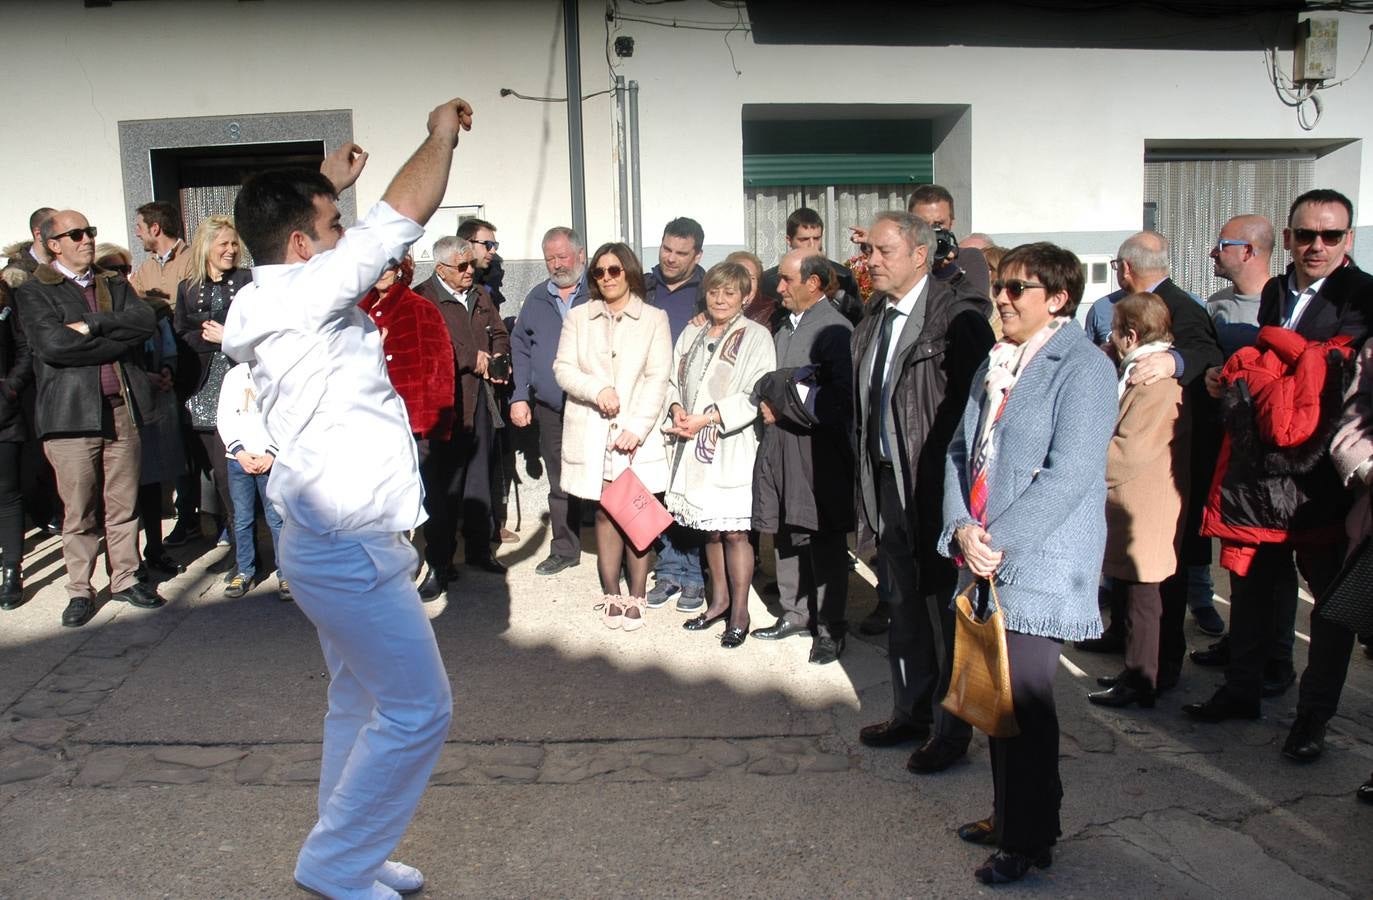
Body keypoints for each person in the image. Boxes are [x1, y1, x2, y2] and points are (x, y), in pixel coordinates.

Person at [222, 98, 472, 899]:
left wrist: (321, 186)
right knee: (417, 709)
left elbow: (316, 235)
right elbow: (404, 213)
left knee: (358, 703)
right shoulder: (306, 292)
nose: (343, 235)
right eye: (331, 226)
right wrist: (437, 136)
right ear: (301, 244)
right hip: (347, 541)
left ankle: (350, 852)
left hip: (333, 538)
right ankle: (335, 865)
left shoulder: (269, 293)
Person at [941, 242, 1117, 884]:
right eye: (1002, 286)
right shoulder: (998, 357)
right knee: (994, 698)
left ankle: (1029, 837)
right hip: (983, 548)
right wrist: (960, 524)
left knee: (1028, 706)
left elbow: (1069, 475)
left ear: (1058, 299)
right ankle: (1008, 813)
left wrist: (995, 540)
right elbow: (960, 452)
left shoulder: (1084, 367)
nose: (1004, 298)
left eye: (1020, 288)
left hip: (1037, 558)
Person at [1186, 188, 1372, 729]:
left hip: (1323, 476)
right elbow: (1270, 369)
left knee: (1329, 604)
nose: (1317, 245)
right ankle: (1242, 690)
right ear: (1287, 238)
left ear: (1348, 239)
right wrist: (1234, 378)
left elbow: (1336, 381)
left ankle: (1312, 720)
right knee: (1251, 588)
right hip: (1261, 468)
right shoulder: (1273, 290)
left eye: (1330, 235)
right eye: (1306, 234)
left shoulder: (1362, 296)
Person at [853, 212, 995, 774]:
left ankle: (949, 729)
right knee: (902, 604)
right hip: (889, 482)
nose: (872, 260)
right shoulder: (875, 316)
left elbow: (975, 417)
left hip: (938, 490)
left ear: (919, 255)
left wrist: (960, 498)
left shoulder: (959, 321)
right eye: (869, 251)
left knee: (944, 610)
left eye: (884, 251)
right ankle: (910, 711)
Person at [1077, 232, 1223, 698]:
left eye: (1115, 335)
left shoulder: (1176, 317)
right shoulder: (1147, 330)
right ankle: (1133, 655)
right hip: (1139, 493)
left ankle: (1151, 672)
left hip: (1156, 488)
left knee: (1155, 590)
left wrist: (1174, 361)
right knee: (1136, 586)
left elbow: (1205, 356)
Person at [15, 209, 163, 627]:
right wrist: (116, 343)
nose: (87, 239)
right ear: (52, 244)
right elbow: (53, 347)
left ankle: (126, 577)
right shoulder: (34, 290)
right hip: (70, 418)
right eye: (75, 234)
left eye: (90, 231)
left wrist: (93, 324)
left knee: (123, 504)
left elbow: (144, 322)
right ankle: (80, 590)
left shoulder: (112, 283)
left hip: (121, 409)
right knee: (78, 511)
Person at [553, 242, 671, 631]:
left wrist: (637, 427)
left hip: (637, 433)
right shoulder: (578, 317)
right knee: (604, 511)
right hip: (591, 429)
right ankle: (611, 593)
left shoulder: (654, 319)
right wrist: (595, 389)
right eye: (599, 272)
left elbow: (658, 378)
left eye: (614, 270)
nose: (606, 278)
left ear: (629, 273)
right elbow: (563, 369)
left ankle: (636, 594)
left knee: (634, 510)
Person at [750, 248, 854, 663]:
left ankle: (830, 627)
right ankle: (794, 612)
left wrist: (783, 404)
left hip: (817, 450)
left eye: (786, 281)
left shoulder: (834, 329)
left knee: (822, 537)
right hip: (779, 444)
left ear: (813, 283)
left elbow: (836, 397)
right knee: (786, 529)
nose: (778, 288)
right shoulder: (783, 325)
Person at [664, 261, 774, 648]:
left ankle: (740, 611)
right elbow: (673, 378)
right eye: (714, 291)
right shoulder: (693, 331)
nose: (721, 299)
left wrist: (709, 418)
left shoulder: (756, 336)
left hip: (732, 445)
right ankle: (719, 601)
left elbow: (755, 392)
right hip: (694, 445)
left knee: (734, 531)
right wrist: (676, 408)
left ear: (745, 296)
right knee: (709, 529)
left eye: (730, 292)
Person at [1088, 293, 1189, 709]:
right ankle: (1135, 671)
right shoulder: (1141, 373)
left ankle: (1141, 680)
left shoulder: (1154, 385)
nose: (1110, 339)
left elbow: (1129, 452)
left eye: (1115, 331)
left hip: (1145, 509)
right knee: (1132, 597)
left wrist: (1084, 460)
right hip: (1137, 506)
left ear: (1130, 335)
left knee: (1144, 601)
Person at [414, 235, 510, 593]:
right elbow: (429, 348)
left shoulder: (480, 296)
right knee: (441, 492)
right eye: (463, 266)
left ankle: (479, 551)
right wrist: (474, 359)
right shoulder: (423, 297)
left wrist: (499, 357)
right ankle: (439, 564)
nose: (470, 271)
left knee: (479, 484)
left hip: (480, 403)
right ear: (441, 269)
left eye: (471, 264)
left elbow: (499, 333)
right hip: (443, 408)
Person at [98, 243, 184, 581]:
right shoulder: (103, 314)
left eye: (124, 269)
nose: (121, 275)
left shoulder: (151, 309)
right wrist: (140, 377)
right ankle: (125, 561)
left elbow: (169, 348)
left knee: (151, 483)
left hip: (153, 406)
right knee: (122, 492)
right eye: (112, 269)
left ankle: (156, 550)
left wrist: (166, 371)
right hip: (120, 407)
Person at [509, 226, 589, 576]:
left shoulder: (599, 291)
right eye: (550, 258)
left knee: (608, 477)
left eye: (562, 256)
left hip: (595, 406)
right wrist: (519, 396)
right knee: (558, 479)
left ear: (580, 255)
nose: (556, 264)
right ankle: (565, 549)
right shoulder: (536, 298)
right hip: (551, 406)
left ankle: (619, 551)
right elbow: (521, 348)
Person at [170, 216, 251, 555]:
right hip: (201, 388)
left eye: (235, 244)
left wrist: (226, 337)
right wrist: (215, 340)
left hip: (241, 385)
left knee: (231, 464)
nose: (231, 250)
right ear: (206, 248)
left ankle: (244, 541)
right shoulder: (187, 287)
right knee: (212, 470)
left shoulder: (248, 281)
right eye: (224, 244)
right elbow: (181, 335)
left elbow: (257, 328)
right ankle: (223, 529)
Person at [644, 218, 709, 612]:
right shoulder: (644, 286)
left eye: (681, 253)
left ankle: (696, 576)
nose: (670, 258)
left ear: (697, 255)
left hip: (693, 405)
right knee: (659, 489)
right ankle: (668, 569)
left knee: (690, 490)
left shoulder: (708, 291)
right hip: (651, 401)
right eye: (666, 248)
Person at [217, 361, 288, 600]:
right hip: (239, 459)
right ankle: (245, 569)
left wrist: (272, 453)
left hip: (270, 458)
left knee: (277, 518)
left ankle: (286, 572)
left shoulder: (277, 370)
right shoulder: (234, 376)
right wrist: (238, 451)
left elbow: (286, 415)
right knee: (242, 518)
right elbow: (224, 416)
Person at [757, 207, 861, 324]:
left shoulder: (843, 276)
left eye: (816, 238)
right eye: (804, 239)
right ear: (789, 240)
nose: (812, 244)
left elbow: (858, 321)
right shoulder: (769, 281)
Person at [0, 265, 33, 609]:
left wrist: (10, 388)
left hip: (3, 416)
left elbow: (24, 349)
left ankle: (12, 569)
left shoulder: (5, 300)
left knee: (6, 494)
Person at [1207, 215, 1275, 357]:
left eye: (1222, 245)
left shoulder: (1282, 305)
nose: (1212, 253)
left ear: (1247, 251)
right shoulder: (1215, 303)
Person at [129, 200, 195, 307]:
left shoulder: (193, 260)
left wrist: (145, 299)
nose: (137, 233)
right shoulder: (145, 269)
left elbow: (191, 307)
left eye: (140, 227)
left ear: (155, 229)